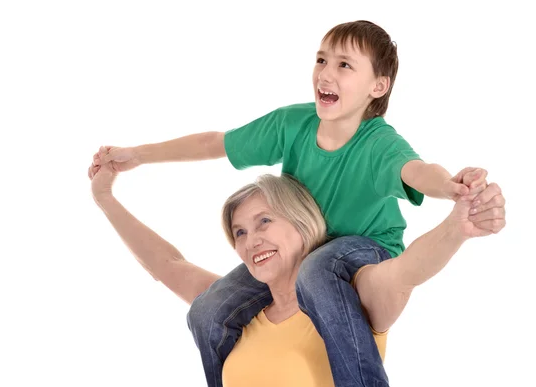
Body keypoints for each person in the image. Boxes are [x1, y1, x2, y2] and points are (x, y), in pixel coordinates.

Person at [91, 20, 492, 386]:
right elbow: (217, 143)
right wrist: (138, 155)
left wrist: (451, 187)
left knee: (318, 269)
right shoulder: (293, 124)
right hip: (310, 255)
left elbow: (416, 171)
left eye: (344, 65)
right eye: (321, 59)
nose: (325, 72)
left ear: (378, 87)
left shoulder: (377, 144)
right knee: (206, 311)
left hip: (363, 248)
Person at [87, 155, 506, 387]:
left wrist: (457, 227)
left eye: (265, 221)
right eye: (240, 231)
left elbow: (405, 272)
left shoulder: (346, 301)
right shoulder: (238, 317)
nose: (251, 240)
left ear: (301, 219)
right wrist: (104, 197)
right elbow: (167, 265)